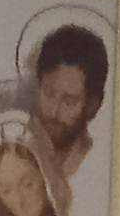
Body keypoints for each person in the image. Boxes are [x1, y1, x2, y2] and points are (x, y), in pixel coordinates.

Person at [28, 19, 109, 190]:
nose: (54, 111)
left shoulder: (99, 166)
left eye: (69, 101)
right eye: (49, 94)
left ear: (93, 105)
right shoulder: (13, 150)